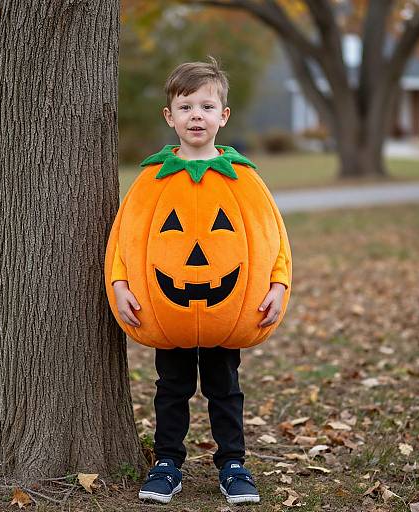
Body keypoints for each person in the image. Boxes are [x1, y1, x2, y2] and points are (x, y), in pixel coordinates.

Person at [110, 57, 290, 505]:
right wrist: (119, 285)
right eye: (186, 106)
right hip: (166, 313)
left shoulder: (245, 179)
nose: (197, 115)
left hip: (226, 313)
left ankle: (233, 464)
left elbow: (274, 237)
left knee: (225, 389)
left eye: (207, 106)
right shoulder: (152, 179)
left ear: (222, 116)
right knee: (171, 389)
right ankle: (167, 463)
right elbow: (124, 238)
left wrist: (278, 285)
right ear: (169, 117)